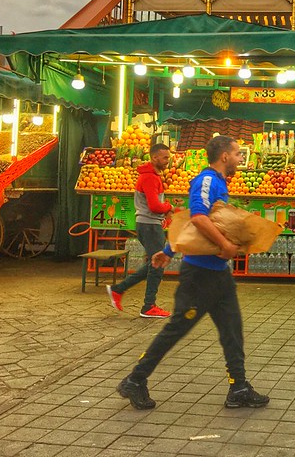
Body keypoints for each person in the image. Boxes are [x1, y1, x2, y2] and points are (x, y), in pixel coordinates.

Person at [116, 136, 270, 410]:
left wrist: (168, 249)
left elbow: (188, 221)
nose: (239, 158)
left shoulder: (219, 183)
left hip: (217, 274)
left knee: (232, 330)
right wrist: (224, 244)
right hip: (199, 276)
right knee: (176, 329)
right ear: (224, 156)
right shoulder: (207, 180)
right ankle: (135, 380)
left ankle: (239, 387)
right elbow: (197, 217)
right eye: (236, 154)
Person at [106, 143, 173, 318]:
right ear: (154, 158)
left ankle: (118, 289)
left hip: (148, 224)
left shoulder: (151, 176)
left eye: (168, 157)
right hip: (149, 224)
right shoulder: (150, 178)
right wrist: (169, 207)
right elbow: (154, 206)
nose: (168, 160)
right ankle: (148, 306)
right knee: (158, 263)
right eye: (165, 157)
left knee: (154, 263)